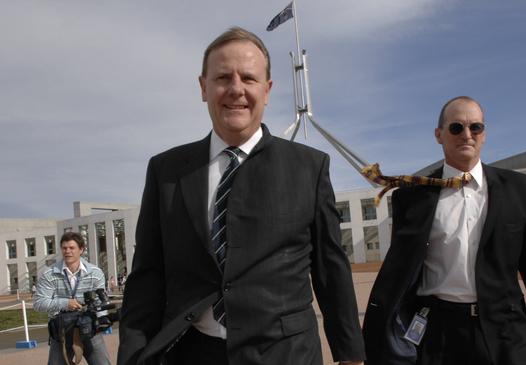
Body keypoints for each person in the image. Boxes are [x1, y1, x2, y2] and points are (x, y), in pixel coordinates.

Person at [117, 26, 364, 365]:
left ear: (267, 89)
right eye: (222, 78)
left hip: (285, 353)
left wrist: (350, 354)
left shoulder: (309, 167)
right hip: (191, 354)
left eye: (248, 78)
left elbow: (330, 268)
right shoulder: (166, 172)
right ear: (203, 87)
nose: (236, 90)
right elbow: (147, 277)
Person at [362, 96, 526, 365]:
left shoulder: (518, 189)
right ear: (439, 135)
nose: (467, 135)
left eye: (476, 127)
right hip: (438, 334)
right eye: (456, 128)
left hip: (505, 332)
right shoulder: (411, 197)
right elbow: (399, 270)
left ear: (484, 133)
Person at [34, 231, 111, 365]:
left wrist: (102, 320)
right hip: (61, 331)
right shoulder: (49, 274)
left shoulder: (95, 273)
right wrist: (65, 303)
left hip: (89, 328)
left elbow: (101, 302)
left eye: (72, 248)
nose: (67, 251)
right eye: (64, 248)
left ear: (81, 249)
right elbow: (39, 303)